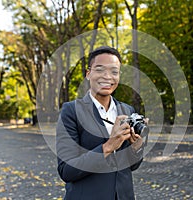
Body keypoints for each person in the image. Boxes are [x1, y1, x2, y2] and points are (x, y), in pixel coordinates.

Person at [56, 46, 145, 200]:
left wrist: (136, 148)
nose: (107, 76)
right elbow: (66, 171)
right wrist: (108, 146)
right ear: (88, 74)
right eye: (100, 69)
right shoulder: (71, 111)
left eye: (114, 72)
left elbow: (131, 166)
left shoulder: (127, 110)